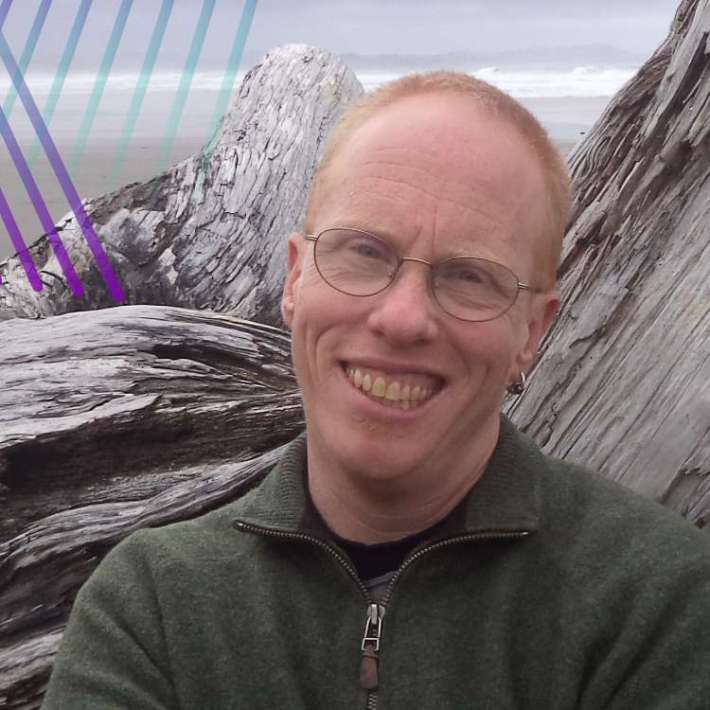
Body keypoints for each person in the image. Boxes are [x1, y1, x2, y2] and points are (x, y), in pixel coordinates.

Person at [42, 72, 710, 710]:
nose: (401, 318)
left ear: (531, 332)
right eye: (364, 251)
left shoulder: (661, 603)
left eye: (470, 277)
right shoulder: (153, 606)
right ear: (295, 281)